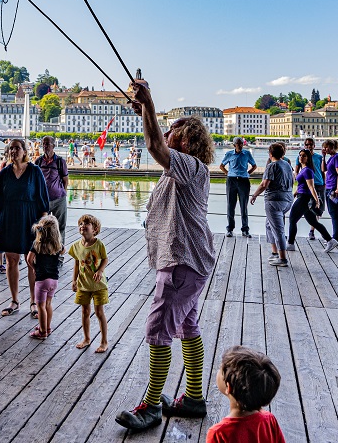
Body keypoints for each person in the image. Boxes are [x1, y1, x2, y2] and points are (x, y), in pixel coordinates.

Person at [116, 82, 216, 431]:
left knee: (158, 331)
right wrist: (145, 112)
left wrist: (150, 103)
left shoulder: (189, 165)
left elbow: (154, 146)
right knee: (188, 327)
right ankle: (192, 399)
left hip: (181, 263)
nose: (167, 130)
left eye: (174, 128)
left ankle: (151, 407)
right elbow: (157, 141)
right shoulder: (188, 169)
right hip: (189, 262)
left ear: (186, 140)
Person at [0, 138, 49, 318]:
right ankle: (15, 300)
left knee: (32, 261)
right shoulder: (5, 172)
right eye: (11, 148)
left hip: (30, 220)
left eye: (17, 148)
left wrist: (42, 228)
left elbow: (44, 203)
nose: (14, 151)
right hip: (8, 219)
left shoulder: (35, 171)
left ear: (24, 151)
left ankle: (33, 301)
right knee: (11, 260)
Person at [206, 346, 286, 443]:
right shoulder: (269, 420)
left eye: (220, 369)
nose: (218, 371)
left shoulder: (218, 433)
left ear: (228, 387)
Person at [68, 213, 109, 352]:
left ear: (95, 229)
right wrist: (74, 280)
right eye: (80, 224)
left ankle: (104, 341)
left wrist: (100, 271)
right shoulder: (76, 246)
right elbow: (76, 263)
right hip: (83, 285)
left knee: (99, 312)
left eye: (86, 224)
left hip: (99, 285)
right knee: (85, 311)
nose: (82, 226)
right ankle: (86, 338)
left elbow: (105, 259)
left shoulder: (99, 244)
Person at [250, 143, 295, 266]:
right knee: (269, 225)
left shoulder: (271, 166)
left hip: (274, 201)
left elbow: (265, 184)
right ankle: (275, 252)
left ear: (270, 154)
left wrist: (254, 195)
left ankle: (282, 258)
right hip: (287, 200)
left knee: (278, 229)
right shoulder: (287, 165)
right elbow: (293, 180)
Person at [288, 150, 338, 252]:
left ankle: (290, 243)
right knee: (313, 222)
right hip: (301, 195)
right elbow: (303, 185)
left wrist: (317, 200)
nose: (301, 157)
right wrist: (295, 192)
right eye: (300, 155)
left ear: (308, 158)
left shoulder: (307, 171)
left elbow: (311, 187)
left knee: (292, 219)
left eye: (304, 156)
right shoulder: (303, 169)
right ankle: (330, 240)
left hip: (304, 198)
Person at [27, 214, 63, 340]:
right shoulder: (57, 245)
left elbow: (29, 259)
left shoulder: (37, 244)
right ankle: (47, 327)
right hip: (54, 280)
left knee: (40, 306)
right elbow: (63, 251)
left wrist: (34, 269)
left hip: (42, 280)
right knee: (48, 304)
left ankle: (42, 332)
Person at [219, 137, 257, 238]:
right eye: (238, 143)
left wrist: (247, 173)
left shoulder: (247, 154)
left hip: (243, 180)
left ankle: (245, 229)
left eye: (241, 144)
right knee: (230, 205)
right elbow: (221, 166)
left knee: (243, 205)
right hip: (231, 180)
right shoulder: (229, 154)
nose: (240, 145)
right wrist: (228, 173)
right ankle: (230, 229)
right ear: (234, 144)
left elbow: (254, 166)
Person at [35, 135, 70, 245]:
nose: (45, 146)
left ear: (53, 146)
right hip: (42, 200)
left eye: (48, 144)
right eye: (44, 144)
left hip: (58, 199)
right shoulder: (38, 161)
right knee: (40, 226)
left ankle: (59, 253)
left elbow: (65, 179)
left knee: (60, 226)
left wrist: (63, 193)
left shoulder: (60, 162)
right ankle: (40, 252)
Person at [321, 139, 338, 244]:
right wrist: (323, 157)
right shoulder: (331, 158)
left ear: (332, 147)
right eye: (324, 147)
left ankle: (336, 238)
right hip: (329, 186)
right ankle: (336, 237)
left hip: (334, 188)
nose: (325, 149)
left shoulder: (337, 157)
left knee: (334, 212)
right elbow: (323, 169)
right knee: (333, 212)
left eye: (327, 147)